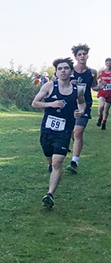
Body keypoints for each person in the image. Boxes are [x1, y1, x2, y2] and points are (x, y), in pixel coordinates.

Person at [32, 57, 86, 208]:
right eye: (60, 69)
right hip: (47, 131)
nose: (63, 71)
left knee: (58, 161)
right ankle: (51, 166)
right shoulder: (49, 86)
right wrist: (51, 104)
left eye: (66, 68)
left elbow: (82, 103)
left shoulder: (78, 90)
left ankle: (50, 195)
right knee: (50, 158)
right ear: (56, 72)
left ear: (71, 71)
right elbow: (35, 103)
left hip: (64, 131)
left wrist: (80, 112)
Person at [66, 44, 97, 174]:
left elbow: (94, 87)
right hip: (70, 105)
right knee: (72, 131)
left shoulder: (92, 72)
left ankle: (74, 162)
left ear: (87, 56)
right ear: (76, 57)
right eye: (79, 54)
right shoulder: (70, 71)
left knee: (78, 131)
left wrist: (99, 86)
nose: (82, 56)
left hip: (84, 105)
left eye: (84, 54)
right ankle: (74, 143)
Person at [96, 58, 111, 130]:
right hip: (102, 92)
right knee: (101, 106)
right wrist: (99, 84)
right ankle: (100, 117)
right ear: (105, 64)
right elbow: (95, 79)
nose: (108, 65)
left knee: (106, 109)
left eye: (110, 63)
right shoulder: (101, 72)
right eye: (107, 63)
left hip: (109, 93)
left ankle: (104, 122)